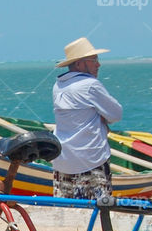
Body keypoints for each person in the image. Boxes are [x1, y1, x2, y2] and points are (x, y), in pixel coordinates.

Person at [51, 37, 123, 199]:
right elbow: (116, 114)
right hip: (91, 159)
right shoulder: (90, 85)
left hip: (63, 160)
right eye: (94, 60)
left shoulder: (58, 86)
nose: (98, 64)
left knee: (67, 211)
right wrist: (101, 116)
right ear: (79, 64)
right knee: (100, 210)